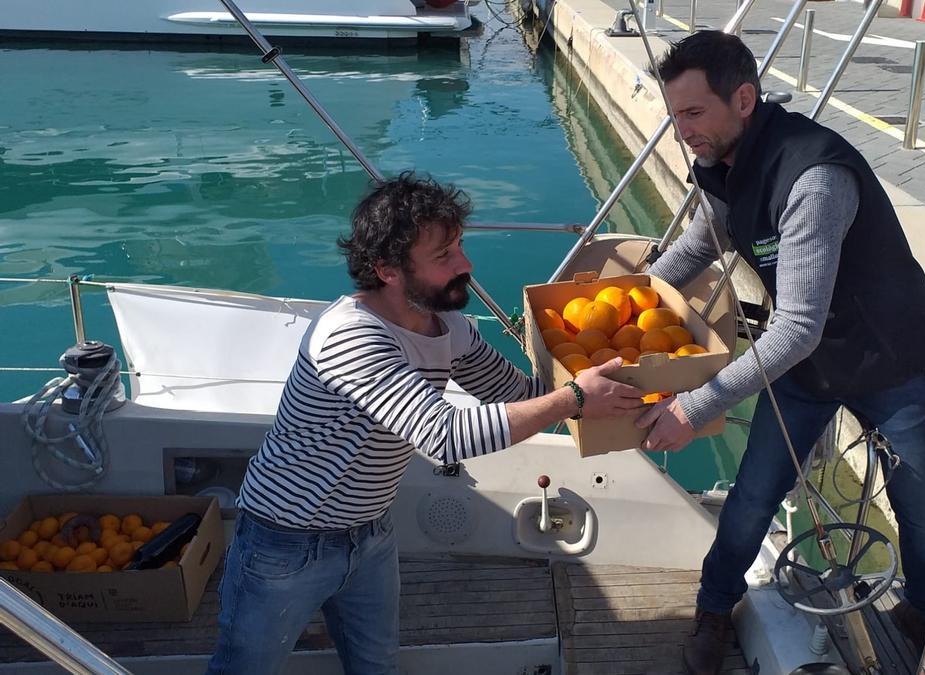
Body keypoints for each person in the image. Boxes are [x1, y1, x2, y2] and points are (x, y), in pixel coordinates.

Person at [206, 172, 643, 675]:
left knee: (377, 666)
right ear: (387, 270)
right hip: (286, 540)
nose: (466, 265)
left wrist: (632, 395)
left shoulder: (449, 327)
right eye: (444, 257)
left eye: (459, 246)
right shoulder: (350, 336)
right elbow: (444, 434)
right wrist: (575, 398)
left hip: (369, 532)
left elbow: (521, 396)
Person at [635, 31, 925, 674]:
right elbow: (699, 249)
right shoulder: (723, 161)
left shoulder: (813, 177)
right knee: (753, 493)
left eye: (693, 114)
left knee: (919, 508)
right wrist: (629, 300)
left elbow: (797, 327)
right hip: (810, 367)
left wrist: (693, 408)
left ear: (744, 98)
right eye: (674, 115)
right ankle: (715, 607)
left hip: (889, 359)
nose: (681, 132)